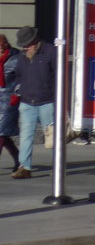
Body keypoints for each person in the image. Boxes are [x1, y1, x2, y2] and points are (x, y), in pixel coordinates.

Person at [8, 26, 55, 179]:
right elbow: (19, 75)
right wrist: (19, 90)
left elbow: (59, 75)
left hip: (47, 101)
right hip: (27, 102)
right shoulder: (22, 56)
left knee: (52, 137)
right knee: (26, 136)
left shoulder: (50, 51)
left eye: (27, 44)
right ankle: (24, 167)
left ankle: (58, 165)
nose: (24, 47)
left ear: (35, 40)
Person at [0, 34, 20, 171]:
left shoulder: (16, 58)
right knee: (3, 134)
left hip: (9, 99)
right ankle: (18, 158)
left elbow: (22, 78)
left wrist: (17, 94)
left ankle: (19, 159)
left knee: (1, 132)